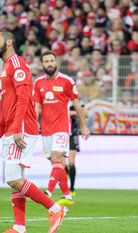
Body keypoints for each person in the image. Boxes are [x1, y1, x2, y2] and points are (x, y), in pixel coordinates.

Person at [0, 30, 67, 233]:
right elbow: (6, 105)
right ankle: (20, 226)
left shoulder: (17, 64)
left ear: (9, 41)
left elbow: (22, 98)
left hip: (20, 128)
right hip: (11, 128)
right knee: (15, 179)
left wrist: (16, 128)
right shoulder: (5, 67)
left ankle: (55, 208)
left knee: (12, 177)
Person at [34, 50, 90, 206]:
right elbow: (36, 105)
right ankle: (67, 195)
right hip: (45, 129)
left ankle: (48, 192)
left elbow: (77, 104)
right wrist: (33, 123)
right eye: (46, 61)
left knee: (56, 156)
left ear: (56, 62)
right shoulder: (38, 83)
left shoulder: (67, 81)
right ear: (42, 64)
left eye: (52, 60)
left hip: (62, 127)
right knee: (55, 162)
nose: (49, 64)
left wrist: (84, 126)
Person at [65, 100, 89, 196]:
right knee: (60, 162)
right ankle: (65, 187)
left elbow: (86, 114)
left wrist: (74, 112)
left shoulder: (76, 99)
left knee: (71, 162)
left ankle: (72, 188)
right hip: (60, 131)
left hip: (73, 132)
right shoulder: (59, 95)